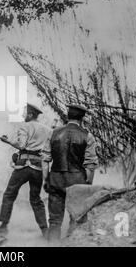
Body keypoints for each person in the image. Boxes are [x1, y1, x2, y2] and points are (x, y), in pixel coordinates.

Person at [0, 103, 51, 237]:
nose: (23, 115)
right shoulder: (48, 130)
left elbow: (21, 145)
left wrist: (7, 141)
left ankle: (3, 226)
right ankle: (45, 230)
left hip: (23, 167)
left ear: (30, 114)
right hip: (38, 168)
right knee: (36, 199)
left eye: (25, 113)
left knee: (9, 194)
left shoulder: (25, 126)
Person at [43, 104, 98, 243]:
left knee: (55, 220)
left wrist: (46, 179)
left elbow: (45, 160)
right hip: (77, 182)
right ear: (82, 118)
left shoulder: (53, 133)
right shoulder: (88, 136)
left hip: (55, 179)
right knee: (76, 219)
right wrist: (88, 184)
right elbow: (90, 165)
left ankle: (52, 245)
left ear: (68, 116)